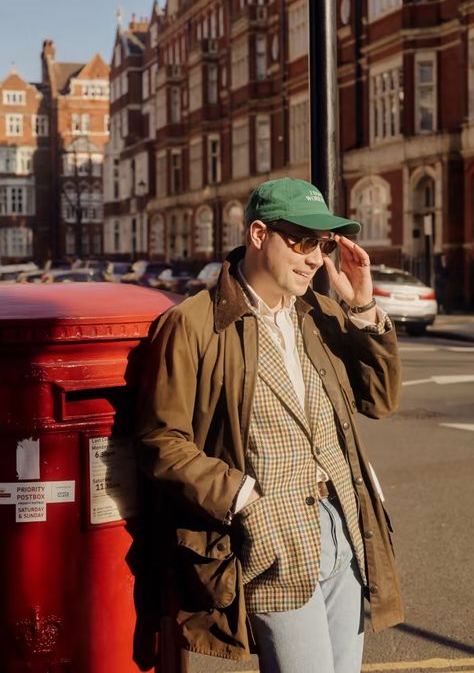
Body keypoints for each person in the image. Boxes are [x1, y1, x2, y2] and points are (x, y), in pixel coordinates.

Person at [135, 177, 403, 673]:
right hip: (272, 536)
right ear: (259, 235)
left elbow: (379, 399)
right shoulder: (193, 324)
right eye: (301, 241)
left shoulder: (318, 313)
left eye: (321, 245)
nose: (313, 258)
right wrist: (241, 498)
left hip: (344, 526)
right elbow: (161, 441)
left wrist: (362, 306)